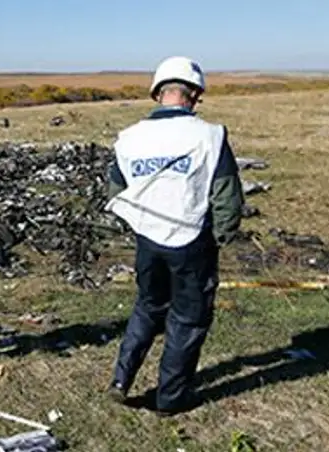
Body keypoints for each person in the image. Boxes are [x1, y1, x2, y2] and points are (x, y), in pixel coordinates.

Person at [103, 56, 244, 416]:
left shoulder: (129, 138)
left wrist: (138, 224)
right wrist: (223, 235)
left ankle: (121, 380)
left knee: (148, 306)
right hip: (192, 240)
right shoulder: (210, 136)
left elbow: (115, 189)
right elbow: (226, 192)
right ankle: (170, 398)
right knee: (188, 318)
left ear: (158, 93)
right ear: (194, 94)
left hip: (147, 241)